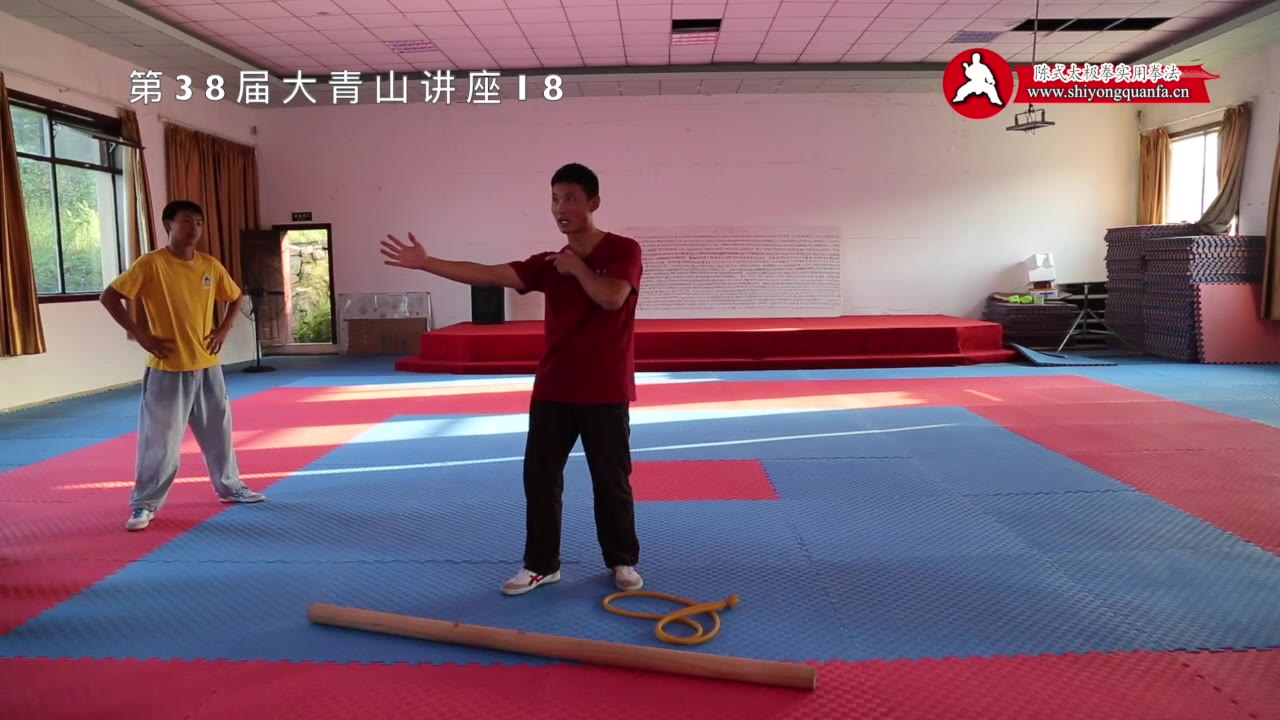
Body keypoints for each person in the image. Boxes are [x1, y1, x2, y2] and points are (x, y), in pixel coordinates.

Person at [381, 163, 644, 596]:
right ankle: (541, 564)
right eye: (555, 199)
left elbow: (613, 297)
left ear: (593, 203)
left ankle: (621, 560)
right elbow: (489, 273)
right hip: (554, 387)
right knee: (540, 478)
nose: (560, 208)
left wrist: (578, 269)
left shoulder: (623, 249)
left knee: (610, 479)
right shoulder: (547, 264)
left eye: (570, 199)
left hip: (604, 388)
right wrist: (427, 263)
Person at [100, 199, 265, 532]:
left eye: (199, 222)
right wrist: (140, 334)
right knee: (160, 442)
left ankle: (230, 487)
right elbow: (110, 296)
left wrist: (223, 329)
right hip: (167, 368)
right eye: (187, 221)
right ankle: (144, 504)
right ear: (168, 225)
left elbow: (235, 296)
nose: (195, 228)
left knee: (219, 432)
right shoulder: (152, 264)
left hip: (207, 366)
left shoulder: (210, 265)